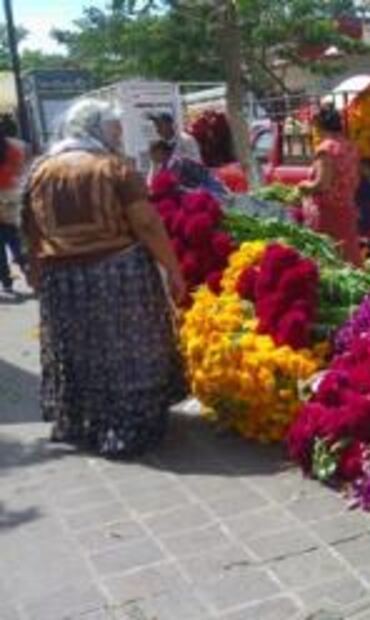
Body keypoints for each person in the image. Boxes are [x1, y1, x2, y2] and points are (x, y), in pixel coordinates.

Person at [21, 99, 187, 457]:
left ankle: (88, 421)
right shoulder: (113, 168)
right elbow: (146, 224)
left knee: (82, 352)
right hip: (117, 275)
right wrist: (173, 269)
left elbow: (31, 230)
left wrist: (36, 274)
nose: (116, 136)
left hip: (62, 281)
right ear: (95, 129)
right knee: (128, 349)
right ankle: (129, 423)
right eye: (112, 130)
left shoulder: (41, 171)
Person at [297, 105, 362, 265]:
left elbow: (322, 184)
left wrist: (304, 185)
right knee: (349, 255)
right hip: (347, 208)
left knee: (328, 256)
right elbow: (356, 179)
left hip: (328, 212)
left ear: (319, 125)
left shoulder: (325, 149)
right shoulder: (350, 146)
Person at [148, 139, 229, 201]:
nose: (152, 157)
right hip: (194, 196)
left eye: (153, 153)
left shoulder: (178, 162)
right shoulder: (164, 168)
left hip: (208, 191)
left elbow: (204, 177)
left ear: (161, 151)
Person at [0, 134, 28, 294]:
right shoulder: (15, 145)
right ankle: (29, 272)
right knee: (15, 237)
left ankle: (6, 282)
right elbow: (21, 169)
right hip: (12, 194)